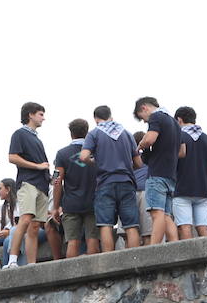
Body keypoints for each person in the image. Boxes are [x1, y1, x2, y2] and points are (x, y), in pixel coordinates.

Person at [79, 106, 142, 252]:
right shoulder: (126, 134)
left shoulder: (94, 133)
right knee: (131, 225)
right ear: (110, 116)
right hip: (126, 182)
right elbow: (138, 163)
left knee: (105, 224)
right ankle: (135, 260)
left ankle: (109, 261)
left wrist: (95, 162)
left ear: (96, 119)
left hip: (105, 183)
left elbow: (83, 157)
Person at [6, 102, 50, 268]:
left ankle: (31, 264)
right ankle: (12, 260)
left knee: (35, 226)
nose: (43, 118)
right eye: (40, 114)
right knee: (25, 220)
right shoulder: (19, 134)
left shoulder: (36, 138)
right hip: (28, 182)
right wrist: (37, 166)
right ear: (30, 115)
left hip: (42, 184)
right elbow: (12, 157)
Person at [133, 97, 180, 246]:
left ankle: (153, 248)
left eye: (143, 119)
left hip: (157, 173)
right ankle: (174, 245)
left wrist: (140, 146)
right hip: (170, 174)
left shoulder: (156, 117)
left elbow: (150, 139)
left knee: (156, 213)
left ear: (144, 108)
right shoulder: (174, 122)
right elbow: (182, 150)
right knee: (166, 215)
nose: (145, 122)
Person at [51, 119, 100, 257]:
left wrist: (55, 207)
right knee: (93, 240)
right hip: (93, 202)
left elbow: (56, 181)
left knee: (72, 242)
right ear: (87, 132)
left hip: (71, 204)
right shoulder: (95, 151)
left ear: (71, 133)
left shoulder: (61, 154)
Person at [172, 107, 207, 239]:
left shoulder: (179, 136)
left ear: (179, 120)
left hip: (182, 187)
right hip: (203, 188)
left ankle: (189, 258)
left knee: (185, 226)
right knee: (203, 226)